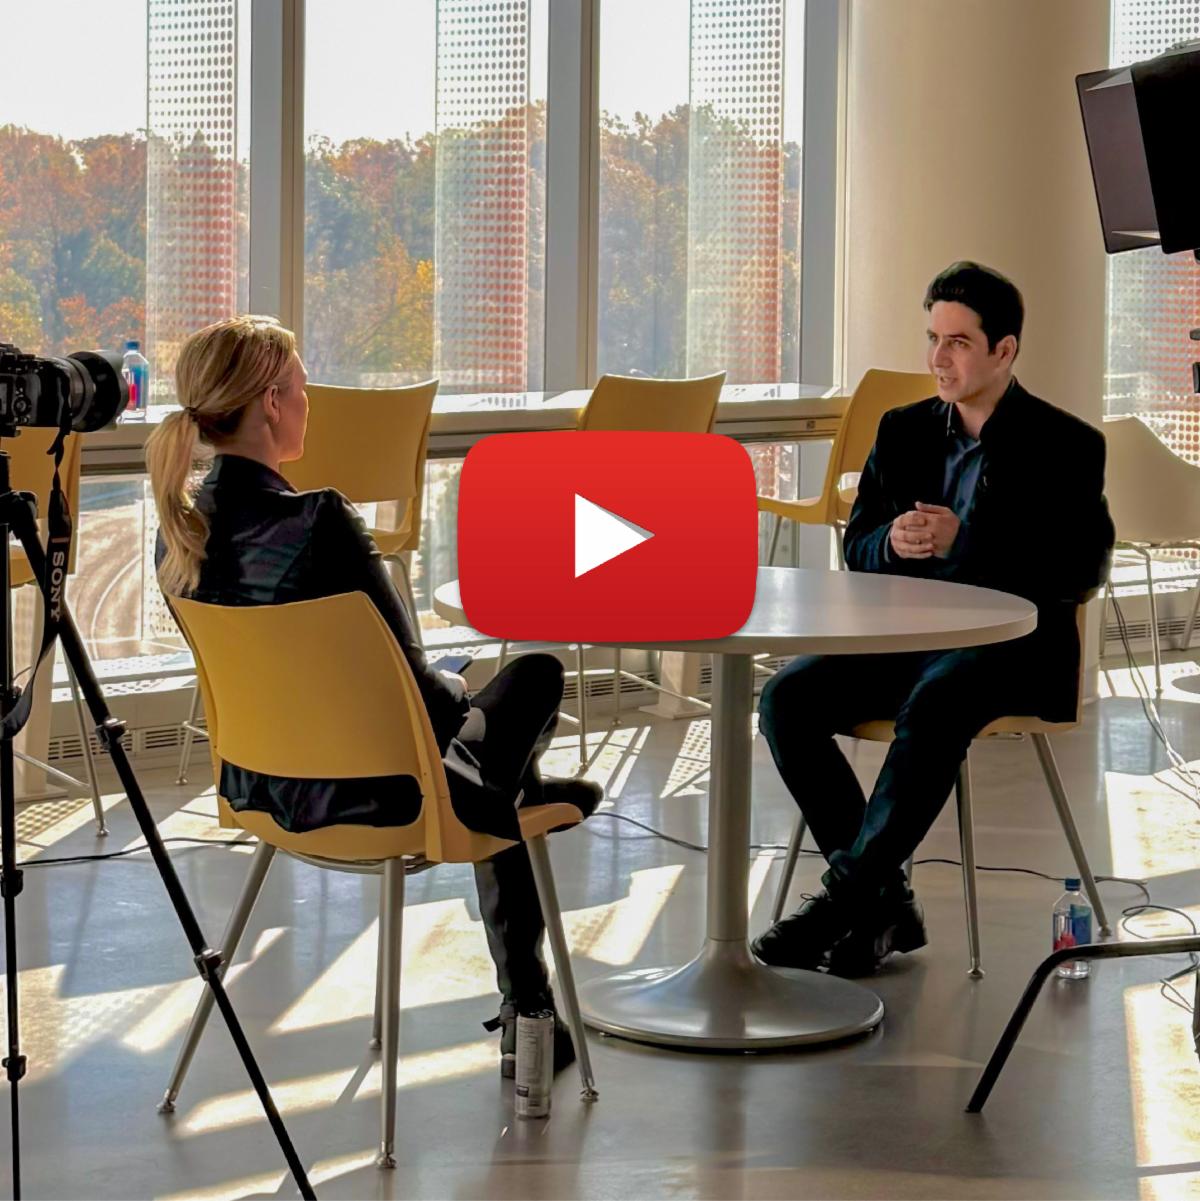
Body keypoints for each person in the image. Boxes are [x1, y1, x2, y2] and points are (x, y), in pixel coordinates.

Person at [146, 314, 599, 1077]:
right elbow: (414, 694)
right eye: (301, 387)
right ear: (269, 405)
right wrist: (455, 692)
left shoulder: (178, 533)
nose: (309, 402)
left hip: (266, 787)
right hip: (385, 795)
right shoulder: (320, 518)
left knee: (482, 728)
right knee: (537, 674)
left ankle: (501, 785)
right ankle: (529, 998)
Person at [753, 262, 1115, 977]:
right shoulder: (902, 430)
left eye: (957, 341)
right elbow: (857, 546)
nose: (938, 359)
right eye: (933, 338)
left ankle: (844, 897)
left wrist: (966, 543)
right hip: (910, 641)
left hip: (1016, 649)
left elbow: (1082, 570)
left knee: (942, 695)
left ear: (1004, 350)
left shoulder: (1067, 444)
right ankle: (883, 901)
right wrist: (888, 541)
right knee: (786, 697)